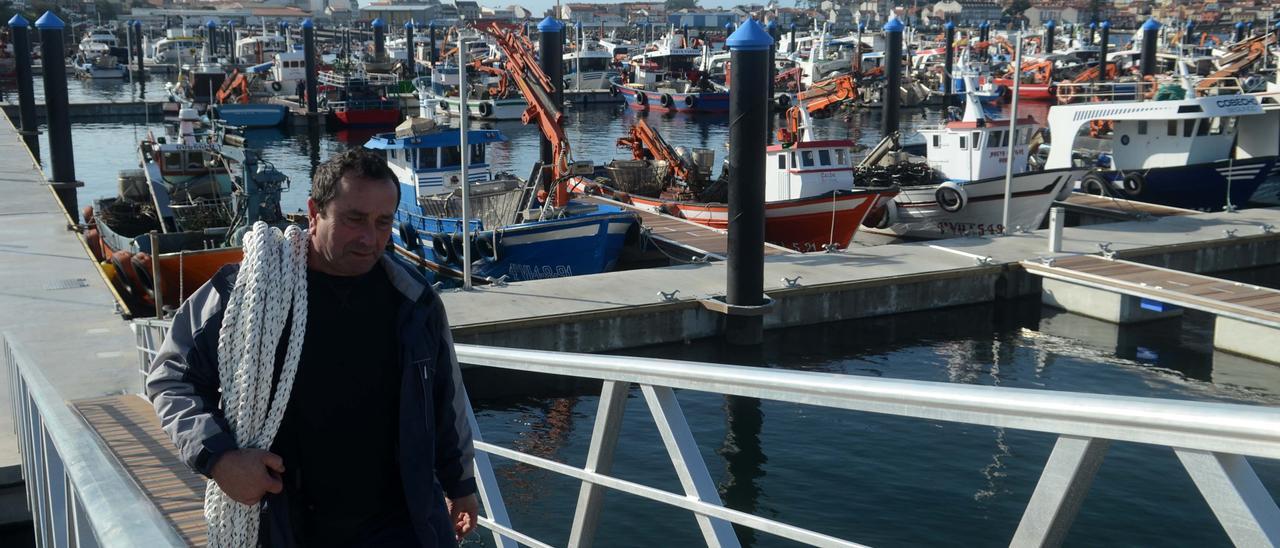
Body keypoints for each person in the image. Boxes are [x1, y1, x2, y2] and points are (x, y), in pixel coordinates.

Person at [146, 149, 478, 547]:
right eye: (354, 219)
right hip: (289, 525)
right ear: (314, 212)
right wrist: (219, 459)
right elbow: (171, 379)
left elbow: (446, 400)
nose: (369, 238)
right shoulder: (246, 292)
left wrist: (461, 485)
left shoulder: (415, 302)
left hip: (400, 525)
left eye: (383, 222)